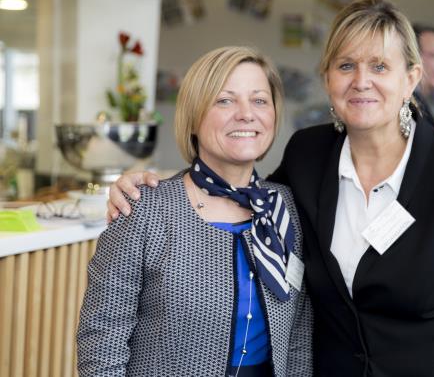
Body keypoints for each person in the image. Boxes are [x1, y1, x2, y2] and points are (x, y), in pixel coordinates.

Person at [107, 0, 434, 376]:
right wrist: (152, 185)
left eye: (379, 66)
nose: (361, 81)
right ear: (328, 78)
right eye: (346, 65)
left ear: (410, 79)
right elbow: (236, 191)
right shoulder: (308, 157)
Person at [77, 46, 313, 377]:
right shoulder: (144, 207)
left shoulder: (285, 208)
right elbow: (101, 341)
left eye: (259, 100)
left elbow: (298, 335)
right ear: (193, 116)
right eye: (224, 100)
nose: (246, 113)